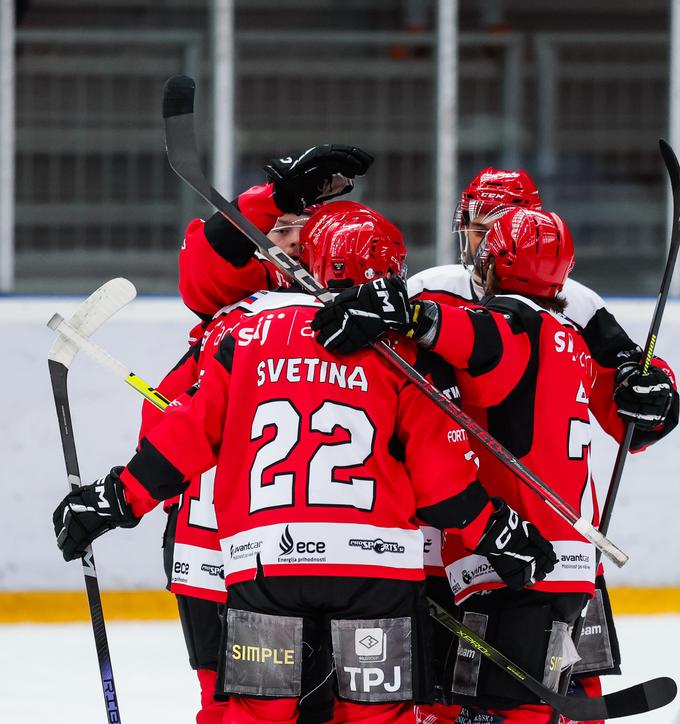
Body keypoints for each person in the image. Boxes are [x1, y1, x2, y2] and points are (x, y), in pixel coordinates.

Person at [53, 201, 557, 724]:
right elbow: (441, 481)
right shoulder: (401, 350)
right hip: (374, 570)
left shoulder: (248, 335)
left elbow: (186, 433)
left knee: (255, 714)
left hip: (266, 563)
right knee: (378, 717)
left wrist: (119, 496)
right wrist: (495, 529)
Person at [313, 166, 679, 723]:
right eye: (476, 228)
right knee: (444, 689)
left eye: (495, 227)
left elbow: (629, 400)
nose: (482, 242)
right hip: (448, 525)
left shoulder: (574, 307)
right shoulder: (435, 285)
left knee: (552, 683)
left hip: (530, 521)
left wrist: (657, 396)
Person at [139, 144, 374, 724]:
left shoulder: (361, 320)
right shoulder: (236, 309)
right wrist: (271, 201)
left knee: (333, 707)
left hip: (327, 551)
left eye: (306, 230)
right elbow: (203, 266)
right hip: (216, 546)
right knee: (229, 706)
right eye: (284, 229)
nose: (294, 241)